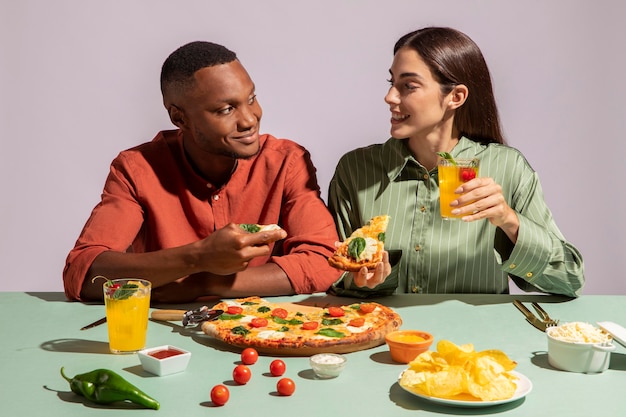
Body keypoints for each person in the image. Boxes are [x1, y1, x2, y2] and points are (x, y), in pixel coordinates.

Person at [63, 41, 342, 303]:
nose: (249, 119)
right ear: (178, 117)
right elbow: (85, 272)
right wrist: (198, 257)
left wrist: (203, 283)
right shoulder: (136, 170)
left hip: (263, 335)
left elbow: (323, 261)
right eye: (225, 109)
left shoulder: (287, 162)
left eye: (251, 98)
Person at [328, 27, 584, 298]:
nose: (390, 97)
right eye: (391, 83)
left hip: (476, 340)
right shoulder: (356, 170)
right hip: (386, 335)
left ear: (455, 97)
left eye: (408, 86)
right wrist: (367, 279)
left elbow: (570, 280)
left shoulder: (508, 168)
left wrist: (509, 221)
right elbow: (335, 274)